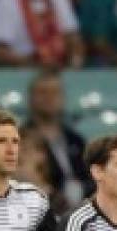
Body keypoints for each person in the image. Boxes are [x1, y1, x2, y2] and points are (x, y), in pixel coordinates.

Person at [26, 72, 91, 206]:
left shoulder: (76, 140)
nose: (49, 98)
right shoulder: (22, 140)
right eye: (43, 92)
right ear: (30, 99)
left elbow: (90, 176)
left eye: (55, 92)